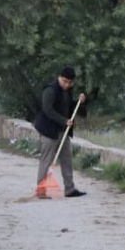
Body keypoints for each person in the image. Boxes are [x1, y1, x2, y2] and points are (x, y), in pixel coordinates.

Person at [33, 65, 87, 198]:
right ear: (59, 77)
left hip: (64, 131)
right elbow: (47, 110)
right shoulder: (50, 90)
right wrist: (64, 121)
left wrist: (80, 102)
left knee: (67, 160)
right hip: (49, 131)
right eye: (65, 81)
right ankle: (41, 190)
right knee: (46, 160)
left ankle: (70, 189)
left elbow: (70, 106)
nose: (67, 85)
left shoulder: (68, 91)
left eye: (70, 82)